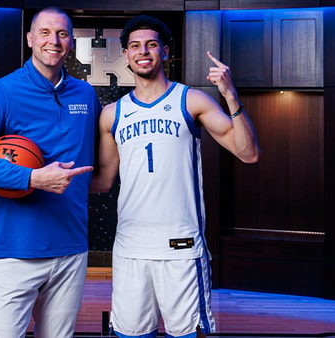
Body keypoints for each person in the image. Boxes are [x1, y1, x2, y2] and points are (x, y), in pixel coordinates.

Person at [90, 15, 260, 338]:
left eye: (152, 45)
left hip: (180, 248)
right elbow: (104, 180)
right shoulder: (112, 114)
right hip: (130, 248)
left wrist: (230, 94)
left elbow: (248, 153)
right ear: (125, 54)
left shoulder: (191, 100)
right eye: (135, 46)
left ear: (165, 52)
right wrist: (39, 180)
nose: (143, 52)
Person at [0, 7, 101, 338]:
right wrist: (31, 178)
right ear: (30, 39)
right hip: (14, 250)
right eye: (44, 32)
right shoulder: (3, 91)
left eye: (61, 34)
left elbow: (98, 160)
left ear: (70, 42)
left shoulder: (86, 95)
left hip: (71, 248)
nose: (53, 41)